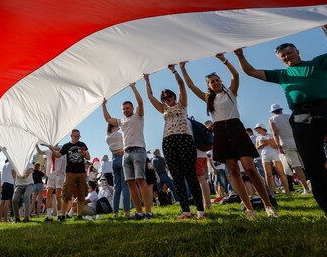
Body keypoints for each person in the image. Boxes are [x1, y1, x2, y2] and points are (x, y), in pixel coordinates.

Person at [234, 23, 327, 217]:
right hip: (300, 117)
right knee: (313, 165)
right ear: (280, 60)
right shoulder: (281, 74)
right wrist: (240, 55)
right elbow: (251, 72)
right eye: (283, 56)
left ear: (297, 52)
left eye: (290, 53)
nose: (287, 57)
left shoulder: (317, 63)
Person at [180, 54, 277, 219]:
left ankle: (268, 205)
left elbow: (236, 75)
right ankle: (249, 210)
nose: (215, 82)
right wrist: (182, 68)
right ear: (209, 86)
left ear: (220, 82)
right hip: (220, 132)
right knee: (232, 170)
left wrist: (224, 60)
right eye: (212, 81)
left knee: (249, 168)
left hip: (235, 129)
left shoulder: (231, 93)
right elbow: (190, 85)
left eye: (217, 80)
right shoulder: (208, 98)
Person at [144, 66, 205, 219]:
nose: (167, 99)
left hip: (184, 139)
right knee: (177, 177)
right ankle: (185, 210)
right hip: (168, 141)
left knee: (190, 175)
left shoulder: (182, 105)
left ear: (173, 96)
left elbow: (181, 86)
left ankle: (200, 210)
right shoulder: (163, 109)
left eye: (169, 96)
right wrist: (147, 79)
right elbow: (150, 96)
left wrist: (174, 71)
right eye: (164, 98)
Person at [102, 83, 153, 220]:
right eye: (123, 109)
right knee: (130, 182)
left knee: (140, 180)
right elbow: (108, 119)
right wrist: (103, 105)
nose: (125, 110)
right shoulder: (121, 121)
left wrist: (133, 87)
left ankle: (148, 211)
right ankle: (139, 212)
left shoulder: (138, 116)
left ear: (132, 108)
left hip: (138, 150)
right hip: (126, 153)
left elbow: (141, 102)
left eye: (127, 108)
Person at [266, 104, 310, 194]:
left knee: (296, 167)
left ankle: (306, 189)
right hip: (297, 141)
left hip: (286, 143)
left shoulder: (272, 119)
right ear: (281, 110)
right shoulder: (290, 116)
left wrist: (278, 146)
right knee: (306, 164)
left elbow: (275, 134)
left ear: (272, 112)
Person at [47, 130, 90, 220]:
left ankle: (79, 215)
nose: (77, 138)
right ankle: (62, 215)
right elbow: (58, 155)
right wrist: (52, 150)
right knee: (67, 194)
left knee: (81, 194)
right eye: (75, 136)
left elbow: (88, 157)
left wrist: (84, 153)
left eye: (78, 136)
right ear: (71, 136)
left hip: (81, 172)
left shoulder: (82, 144)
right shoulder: (66, 146)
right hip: (70, 173)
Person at [254, 123, 290, 195]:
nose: (256, 130)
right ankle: (272, 192)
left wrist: (268, 142)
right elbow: (257, 147)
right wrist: (264, 144)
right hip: (264, 155)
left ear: (262, 128)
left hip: (275, 154)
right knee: (268, 174)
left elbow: (276, 146)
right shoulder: (258, 137)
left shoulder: (271, 135)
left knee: (280, 172)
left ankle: (287, 191)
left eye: (257, 128)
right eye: (256, 129)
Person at [35, 144, 66, 222]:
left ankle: (59, 215)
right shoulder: (48, 150)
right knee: (48, 194)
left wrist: (46, 145)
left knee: (58, 196)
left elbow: (57, 149)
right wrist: (36, 145)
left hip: (59, 174)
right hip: (51, 174)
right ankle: (49, 216)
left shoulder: (61, 147)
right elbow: (40, 152)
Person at [105, 124, 130, 218]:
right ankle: (127, 211)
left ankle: (115, 213)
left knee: (117, 188)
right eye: (118, 127)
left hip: (114, 159)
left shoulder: (107, 137)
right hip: (122, 157)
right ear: (114, 127)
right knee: (125, 186)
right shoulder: (120, 135)